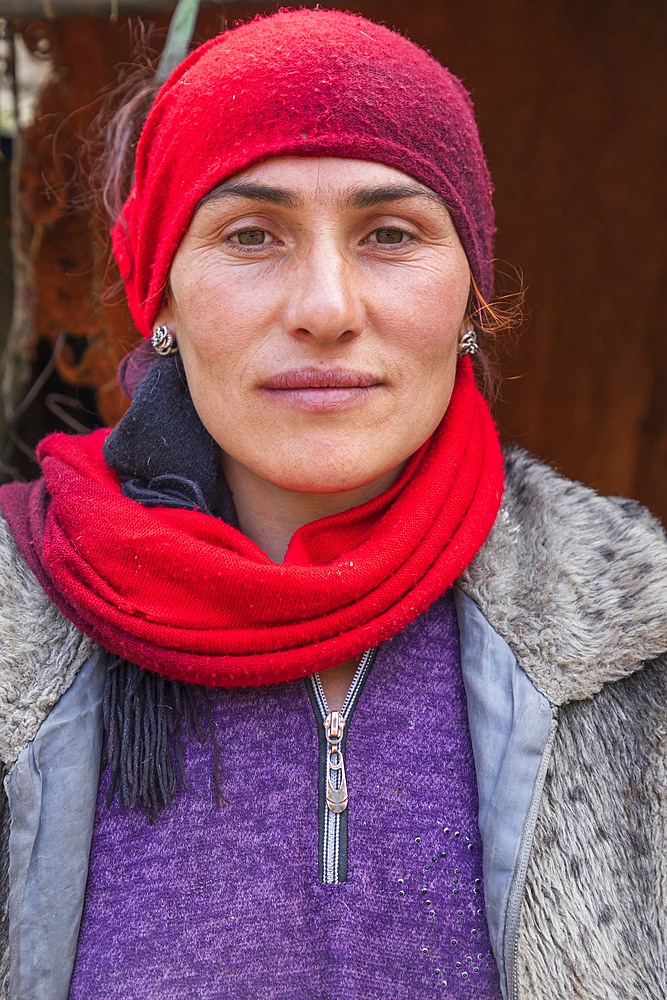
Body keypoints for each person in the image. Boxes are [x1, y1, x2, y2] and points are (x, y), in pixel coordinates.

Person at [0, 9, 666, 1000]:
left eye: (389, 233)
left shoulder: (635, 647)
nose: (326, 306)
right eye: (251, 234)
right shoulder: (20, 616)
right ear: (163, 298)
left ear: (472, 294)